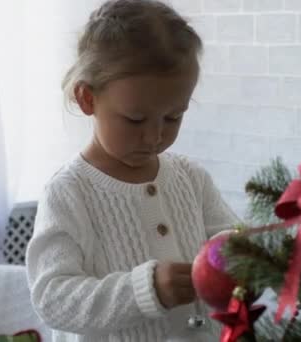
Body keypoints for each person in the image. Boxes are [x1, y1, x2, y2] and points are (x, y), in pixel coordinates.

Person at [25, 1, 239, 341]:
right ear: (87, 99)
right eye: (135, 119)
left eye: (173, 117)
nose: (155, 136)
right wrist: (146, 289)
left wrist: (232, 250)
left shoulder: (190, 177)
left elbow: (227, 238)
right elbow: (53, 298)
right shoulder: (69, 192)